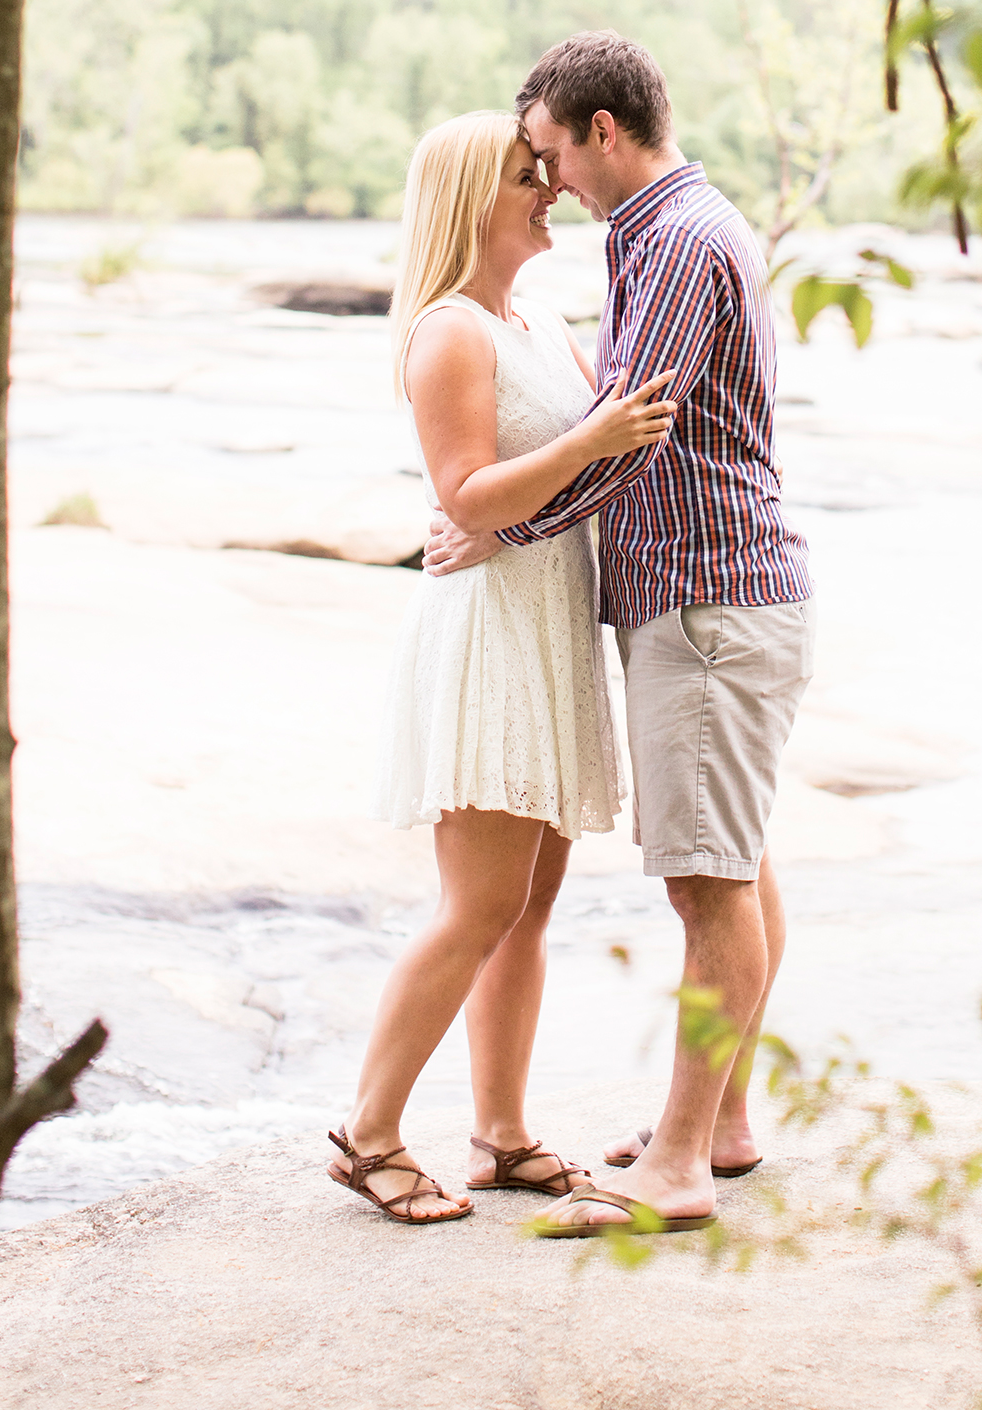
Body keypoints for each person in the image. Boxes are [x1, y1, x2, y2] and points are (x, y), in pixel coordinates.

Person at [424, 34, 814, 1238]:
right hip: (707, 594)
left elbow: (630, 431)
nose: (550, 185)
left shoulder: (682, 240)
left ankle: (683, 1162)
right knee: (735, 867)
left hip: (706, 600)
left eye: (550, 155)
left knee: (708, 886)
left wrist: (503, 528)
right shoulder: (664, 233)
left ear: (603, 131)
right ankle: (728, 1121)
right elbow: (614, 415)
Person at [328, 109, 678, 1225]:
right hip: (486, 639)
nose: (552, 190)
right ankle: (368, 1135)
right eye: (530, 176)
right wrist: (589, 442)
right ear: (472, 199)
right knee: (476, 905)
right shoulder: (448, 332)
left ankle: (503, 1131)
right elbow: (467, 495)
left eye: (549, 170)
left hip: (547, 627)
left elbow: (574, 474)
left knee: (528, 908)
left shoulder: (533, 318)